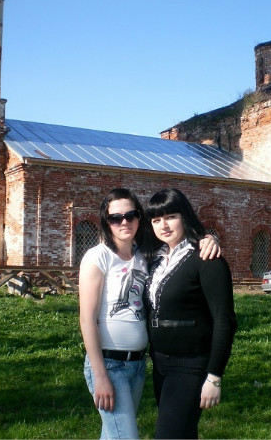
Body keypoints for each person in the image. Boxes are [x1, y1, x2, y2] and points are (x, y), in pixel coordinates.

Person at [79, 188, 220, 439]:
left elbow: (179, 242)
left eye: (131, 215)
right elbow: (87, 319)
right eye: (115, 217)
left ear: (139, 218)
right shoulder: (98, 256)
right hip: (108, 364)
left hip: (138, 365)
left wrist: (209, 239)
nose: (124, 222)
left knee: (113, 434)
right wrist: (100, 375)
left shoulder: (146, 254)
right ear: (106, 221)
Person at [142, 188, 237, 439]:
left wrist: (214, 376)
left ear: (184, 216)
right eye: (156, 220)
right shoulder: (156, 259)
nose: (163, 225)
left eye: (170, 217)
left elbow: (224, 320)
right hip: (160, 364)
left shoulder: (207, 259)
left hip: (190, 365)